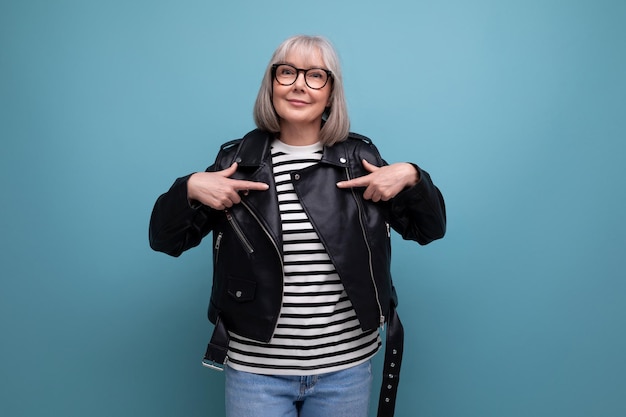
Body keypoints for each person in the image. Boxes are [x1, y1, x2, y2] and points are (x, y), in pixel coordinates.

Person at [149, 35, 446, 417]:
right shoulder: (238, 160)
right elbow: (165, 239)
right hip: (256, 372)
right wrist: (189, 188)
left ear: (331, 92)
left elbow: (429, 229)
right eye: (287, 72)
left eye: (316, 76)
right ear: (271, 83)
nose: (300, 84)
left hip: (345, 369)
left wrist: (411, 176)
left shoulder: (360, 157)